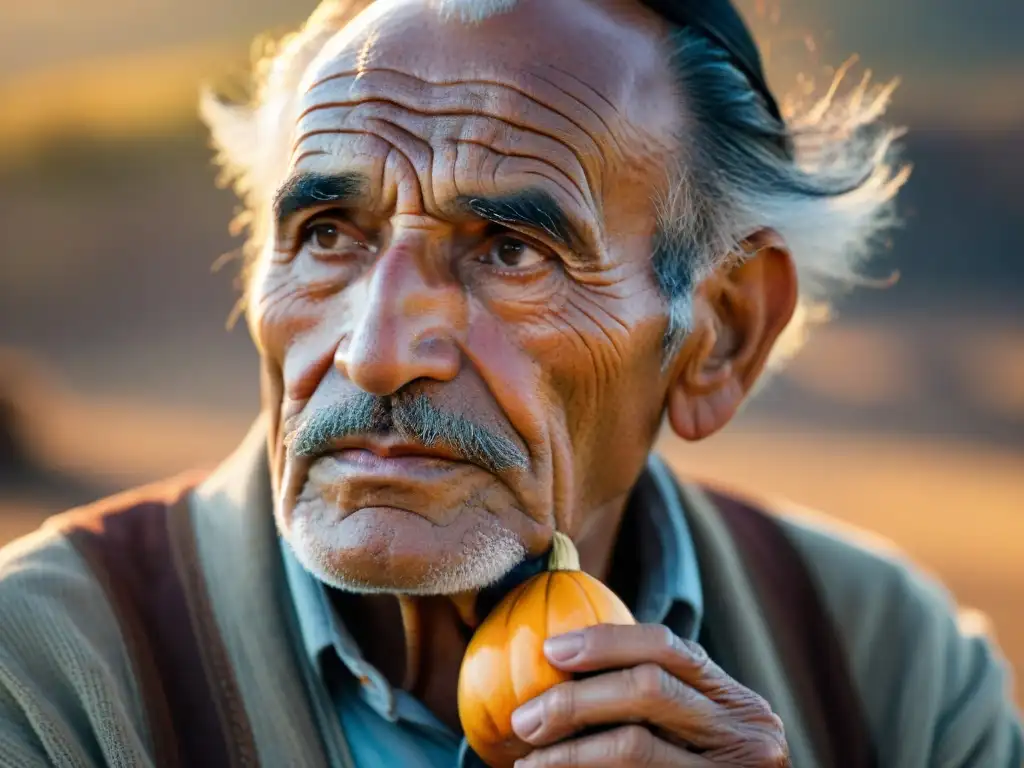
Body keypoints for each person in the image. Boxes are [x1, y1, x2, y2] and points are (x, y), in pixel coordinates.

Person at [1, 0, 1020, 765]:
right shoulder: (48, 674)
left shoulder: (892, 670)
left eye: (510, 250)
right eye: (327, 234)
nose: (378, 352)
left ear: (720, 333)